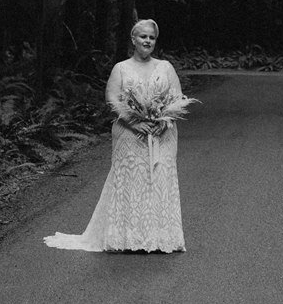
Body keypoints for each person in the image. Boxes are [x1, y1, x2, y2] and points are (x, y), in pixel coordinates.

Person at [44, 19, 188, 253]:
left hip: (162, 135)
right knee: (133, 181)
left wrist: (165, 121)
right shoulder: (121, 68)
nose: (147, 41)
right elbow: (112, 99)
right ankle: (129, 239)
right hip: (130, 135)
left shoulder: (166, 67)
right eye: (143, 37)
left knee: (159, 178)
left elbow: (177, 97)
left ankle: (160, 238)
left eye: (151, 37)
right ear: (133, 40)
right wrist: (134, 122)